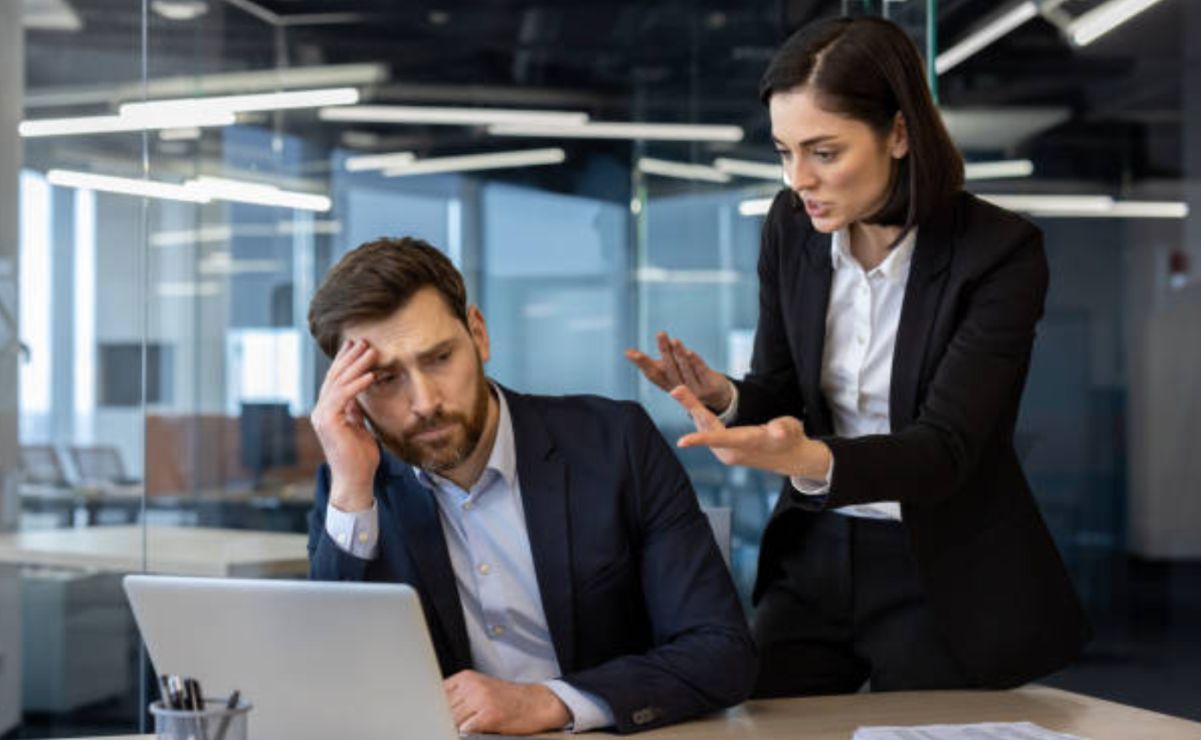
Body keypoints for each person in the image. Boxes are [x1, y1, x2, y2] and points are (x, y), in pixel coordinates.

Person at [627, 16, 1090, 697]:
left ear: (898, 133)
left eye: (823, 152)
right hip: (812, 550)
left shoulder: (997, 254)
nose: (798, 180)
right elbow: (782, 391)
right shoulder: (792, 230)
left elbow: (946, 449)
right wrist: (727, 396)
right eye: (784, 152)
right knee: (760, 719)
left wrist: (808, 461)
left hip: (937, 565)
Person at [305, 237, 755, 735]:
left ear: (478, 334)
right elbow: (333, 682)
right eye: (386, 379)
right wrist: (349, 492)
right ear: (349, 392)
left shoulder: (615, 444)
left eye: (439, 358)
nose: (425, 402)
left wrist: (547, 702)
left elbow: (720, 652)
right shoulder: (353, 483)